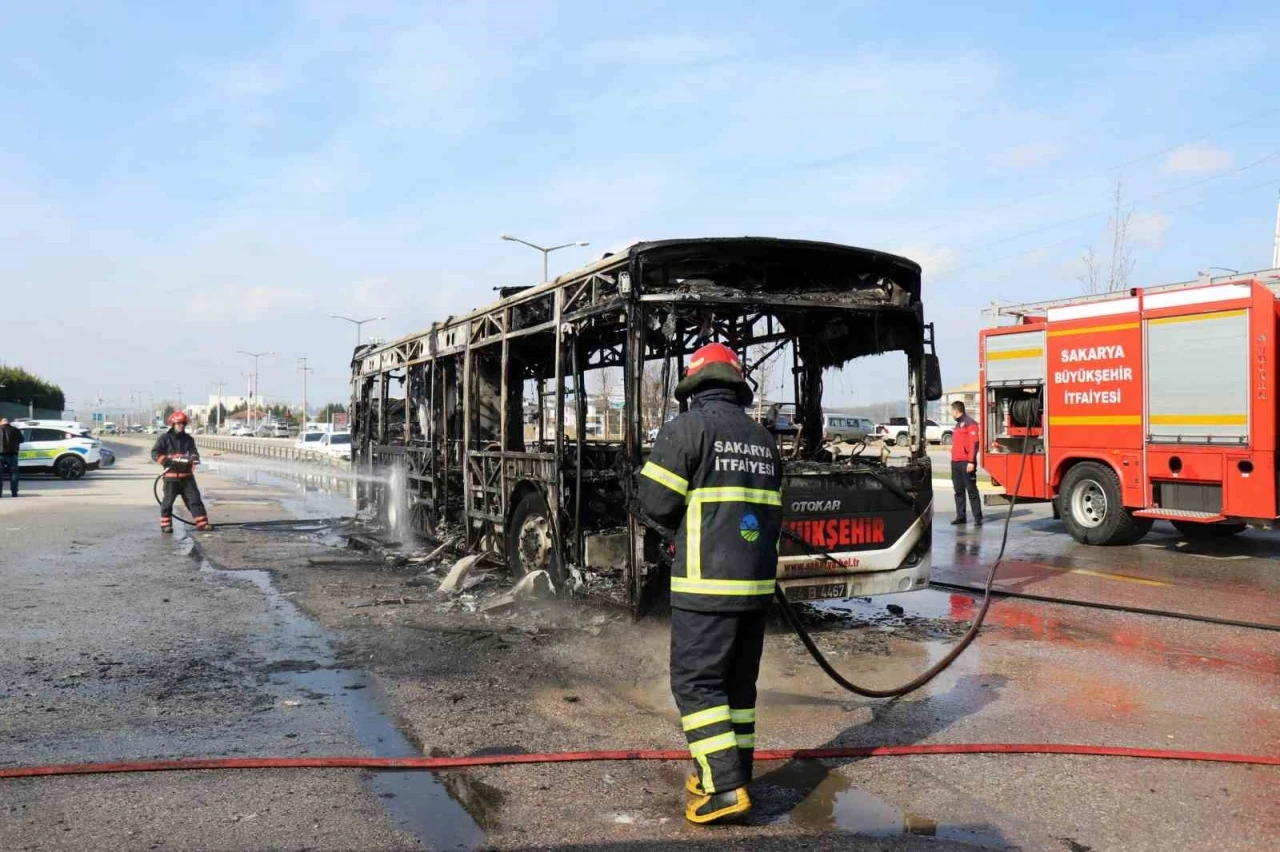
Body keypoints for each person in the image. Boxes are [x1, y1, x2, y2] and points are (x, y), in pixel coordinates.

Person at [638, 342, 784, 825]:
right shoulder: (763, 438)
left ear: (693, 385)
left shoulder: (686, 430)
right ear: (737, 384)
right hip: (756, 585)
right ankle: (732, 774)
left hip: (706, 584)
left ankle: (722, 789)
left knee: (697, 684)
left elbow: (656, 504)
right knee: (738, 687)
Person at [150, 411, 211, 533]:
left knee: (195, 500)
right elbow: (155, 453)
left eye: (183, 423)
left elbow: (194, 453)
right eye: (178, 423)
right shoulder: (164, 439)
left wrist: (194, 458)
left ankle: (202, 524)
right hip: (171, 477)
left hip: (187, 477)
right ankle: (166, 525)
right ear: (173, 424)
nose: (181, 426)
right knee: (167, 502)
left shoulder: (188, 439)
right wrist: (167, 462)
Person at [950, 400, 983, 526]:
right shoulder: (958, 425)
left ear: (957, 411)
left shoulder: (970, 423)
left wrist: (971, 461)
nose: (951, 413)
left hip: (966, 463)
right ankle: (961, 516)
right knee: (958, 491)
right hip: (956, 462)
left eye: (952, 411)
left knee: (971, 490)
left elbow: (974, 444)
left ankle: (978, 517)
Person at [0, 417, 22, 498]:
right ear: (8, 422)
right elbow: (21, 440)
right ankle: (14, 492)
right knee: (14, 474)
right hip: (12, 455)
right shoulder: (15, 430)